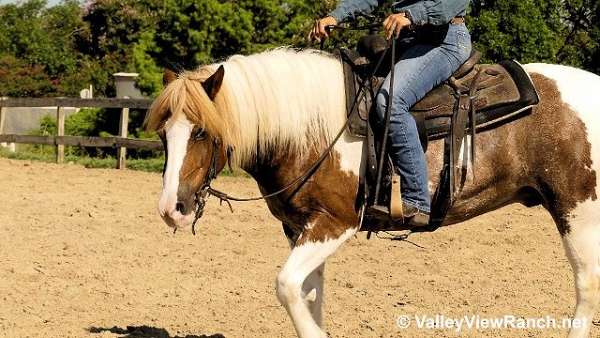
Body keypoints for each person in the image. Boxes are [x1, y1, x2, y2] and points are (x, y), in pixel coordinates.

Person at [311, 0, 472, 227]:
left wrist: (411, 14)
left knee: (390, 101)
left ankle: (417, 198)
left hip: (444, 42)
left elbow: (451, 4)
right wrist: (336, 16)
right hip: (407, 41)